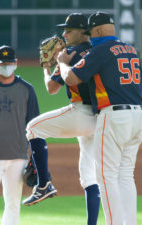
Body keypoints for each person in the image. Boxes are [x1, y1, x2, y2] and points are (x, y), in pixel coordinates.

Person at [57, 12, 142, 225]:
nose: (90, 37)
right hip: (139, 116)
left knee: (106, 177)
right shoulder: (131, 50)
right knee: (125, 175)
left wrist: (62, 63)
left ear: (98, 31)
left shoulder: (100, 50)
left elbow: (71, 78)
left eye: (91, 33)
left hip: (115, 116)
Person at [22, 13, 100, 225]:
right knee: (89, 177)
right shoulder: (97, 51)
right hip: (101, 118)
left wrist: (47, 67)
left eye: (68, 30)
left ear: (82, 31)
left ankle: (44, 184)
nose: (63, 34)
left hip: (81, 114)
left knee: (33, 128)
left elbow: (52, 88)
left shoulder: (70, 54)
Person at [0, 45, 56, 225]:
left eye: (8, 63)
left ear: (16, 63)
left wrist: (33, 157)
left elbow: (34, 127)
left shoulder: (27, 90)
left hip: (19, 157)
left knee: (13, 204)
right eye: (2, 63)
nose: (5, 66)